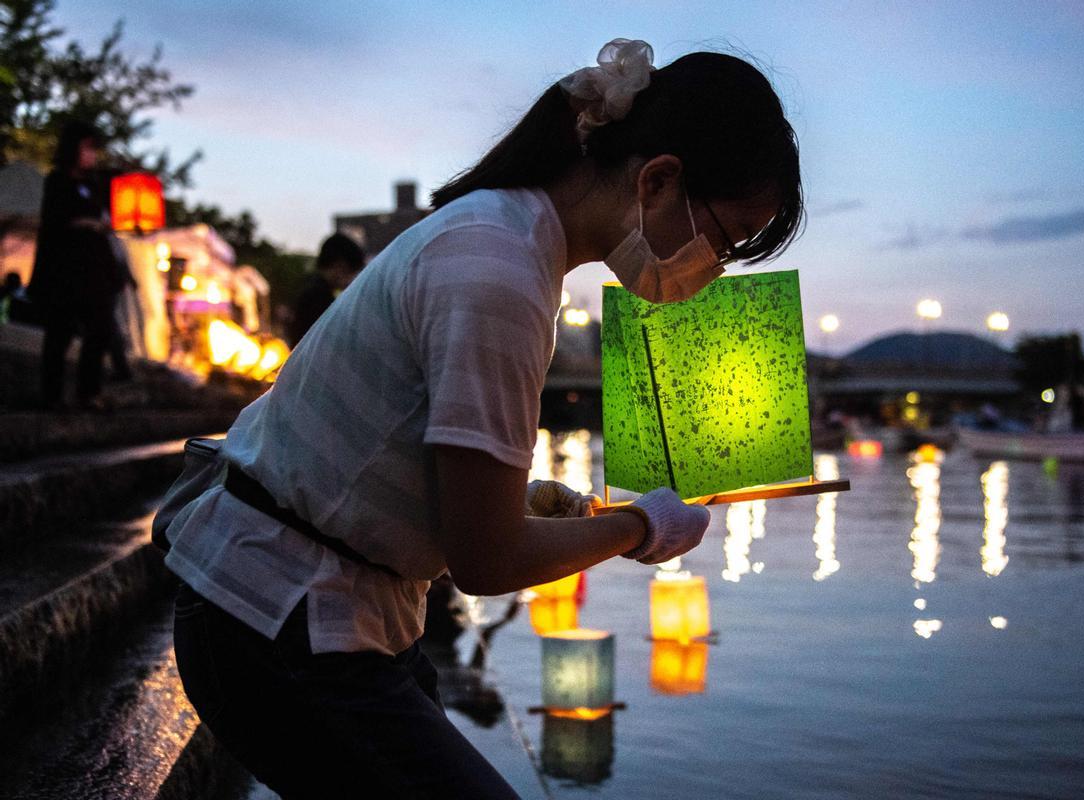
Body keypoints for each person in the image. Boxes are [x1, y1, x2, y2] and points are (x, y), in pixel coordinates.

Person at [166, 39, 803, 798]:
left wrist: (526, 496)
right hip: (279, 620)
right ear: (659, 179)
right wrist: (643, 527)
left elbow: (413, 457)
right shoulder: (501, 269)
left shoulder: (505, 236)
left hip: (317, 608)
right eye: (722, 242)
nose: (712, 272)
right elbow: (488, 561)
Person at [27, 120, 127, 410]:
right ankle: (51, 396)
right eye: (88, 148)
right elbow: (56, 222)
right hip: (65, 273)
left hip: (94, 273)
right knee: (59, 333)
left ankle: (88, 392)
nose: (92, 155)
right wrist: (85, 224)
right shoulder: (58, 182)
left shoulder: (92, 186)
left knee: (99, 330)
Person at [286, 232, 365, 347]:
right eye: (352, 273)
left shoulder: (309, 288)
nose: (352, 280)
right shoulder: (320, 298)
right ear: (340, 266)